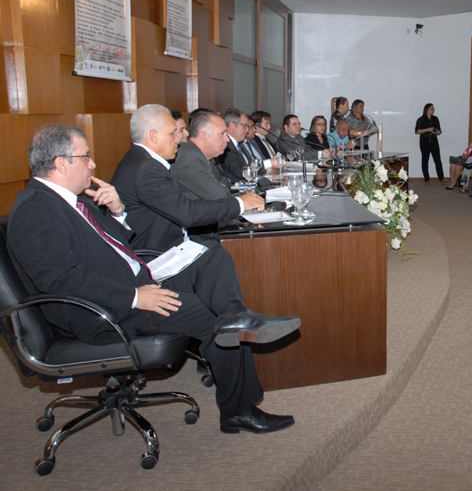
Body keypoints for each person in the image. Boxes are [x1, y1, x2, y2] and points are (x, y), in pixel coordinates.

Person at [8, 123, 301, 434]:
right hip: (103, 310)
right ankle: (239, 411)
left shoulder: (71, 200)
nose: (92, 164)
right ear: (61, 163)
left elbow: (116, 246)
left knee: (210, 254)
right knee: (210, 318)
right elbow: (61, 280)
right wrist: (136, 297)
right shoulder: (36, 209)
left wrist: (117, 211)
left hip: (132, 280)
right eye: (86, 156)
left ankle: (236, 314)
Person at [111, 104, 264, 251]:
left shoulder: (139, 160)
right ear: (154, 136)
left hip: (173, 241)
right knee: (222, 253)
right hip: (160, 251)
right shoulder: (147, 168)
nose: (178, 139)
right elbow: (187, 213)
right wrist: (240, 203)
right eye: (172, 133)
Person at [170, 110, 235, 201]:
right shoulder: (190, 157)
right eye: (222, 134)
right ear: (204, 136)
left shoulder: (201, 154)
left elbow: (221, 181)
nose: (227, 139)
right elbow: (220, 195)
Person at [216, 108, 256, 183]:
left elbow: (249, 165)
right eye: (244, 126)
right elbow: (240, 171)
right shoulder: (226, 146)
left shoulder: (240, 144)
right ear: (232, 125)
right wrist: (268, 164)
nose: (247, 130)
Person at [415, 103, 444, 185]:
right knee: (425, 160)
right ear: (427, 110)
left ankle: (441, 178)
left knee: (437, 159)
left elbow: (439, 131)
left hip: (434, 140)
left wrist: (437, 131)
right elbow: (417, 131)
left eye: (433, 108)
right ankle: (426, 179)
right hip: (424, 141)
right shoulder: (421, 119)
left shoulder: (435, 119)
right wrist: (428, 129)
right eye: (431, 108)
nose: (433, 110)